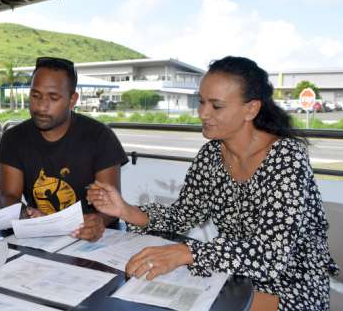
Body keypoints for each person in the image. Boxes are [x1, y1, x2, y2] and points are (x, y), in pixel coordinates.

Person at [87, 56, 339, 310]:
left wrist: (187, 253)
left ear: (251, 109)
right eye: (201, 102)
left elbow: (271, 254)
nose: (202, 113)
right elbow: (182, 216)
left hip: (291, 281)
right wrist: (125, 210)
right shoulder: (210, 155)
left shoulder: (287, 157)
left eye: (216, 106)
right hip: (233, 271)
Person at [0, 57, 128, 241]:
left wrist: (98, 221)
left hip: (90, 239)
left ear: (72, 100)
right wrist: (24, 213)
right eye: (35, 95)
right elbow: (8, 196)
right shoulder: (14, 138)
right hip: (38, 235)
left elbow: (112, 206)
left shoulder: (100, 137)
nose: (41, 106)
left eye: (53, 98)